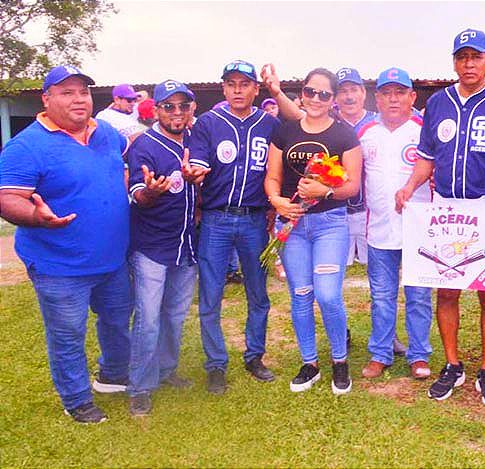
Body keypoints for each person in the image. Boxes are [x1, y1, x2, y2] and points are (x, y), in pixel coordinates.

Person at [395, 29, 485, 409]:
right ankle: (453, 364)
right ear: (454, 62)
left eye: (476, 57)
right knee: (447, 290)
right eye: (462, 57)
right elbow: (427, 156)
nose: (469, 64)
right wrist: (409, 186)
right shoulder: (439, 102)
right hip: (447, 205)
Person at [0, 66, 132, 424]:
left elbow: (128, 157)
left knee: (117, 321)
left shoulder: (105, 132)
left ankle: (113, 376)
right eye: (67, 92)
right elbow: (8, 199)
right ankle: (76, 400)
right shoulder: (26, 146)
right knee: (68, 334)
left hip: (112, 259)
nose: (78, 99)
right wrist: (36, 216)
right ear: (46, 99)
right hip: (59, 264)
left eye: (83, 92)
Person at [264, 67, 363, 395]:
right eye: (310, 92)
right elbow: (273, 176)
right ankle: (310, 363)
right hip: (293, 224)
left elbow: (353, 185)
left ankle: (339, 360)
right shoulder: (285, 131)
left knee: (328, 294)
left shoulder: (344, 135)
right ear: (302, 93)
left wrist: (326, 191)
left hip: (329, 224)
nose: (316, 99)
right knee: (301, 294)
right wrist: (277, 200)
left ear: (333, 99)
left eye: (324, 94)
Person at [184, 60, 280, 394]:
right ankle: (215, 364)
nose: (237, 90)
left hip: (254, 218)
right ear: (223, 88)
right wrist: (193, 174)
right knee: (211, 295)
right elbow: (198, 163)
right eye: (231, 84)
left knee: (258, 293)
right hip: (216, 218)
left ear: (256, 88)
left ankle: (254, 356)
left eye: (244, 84)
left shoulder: (269, 123)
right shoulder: (209, 123)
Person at [126, 80, 198, 416]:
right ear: (156, 110)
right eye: (169, 106)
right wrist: (151, 192)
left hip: (186, 245)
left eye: (183, 105)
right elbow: (137, 194)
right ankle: (140, 386)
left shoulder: (195, 140)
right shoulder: (145, 145)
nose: (177, 112)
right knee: (149, 319)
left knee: (175, 316)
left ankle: (166, 370)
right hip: (152, 246)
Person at [359, 67, 433, 380]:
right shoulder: (365, 132)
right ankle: (381, 353)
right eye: (386, 93)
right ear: (376, 98)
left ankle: (419, 354)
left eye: (400, 93)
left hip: (419, 229)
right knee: (381, 296)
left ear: (412, 97)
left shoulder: (425, 129)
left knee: (419, 296)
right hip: (379, 228)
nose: (393, 99)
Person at [335, 67, 376, 267]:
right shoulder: (328, 123)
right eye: (343, 91)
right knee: (337, 265)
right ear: (335, 96)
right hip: (337, 210)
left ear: (363, 93)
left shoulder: (378, 122)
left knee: (375, 265)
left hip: (372, 210)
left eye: (353, 90)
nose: (349, 96)